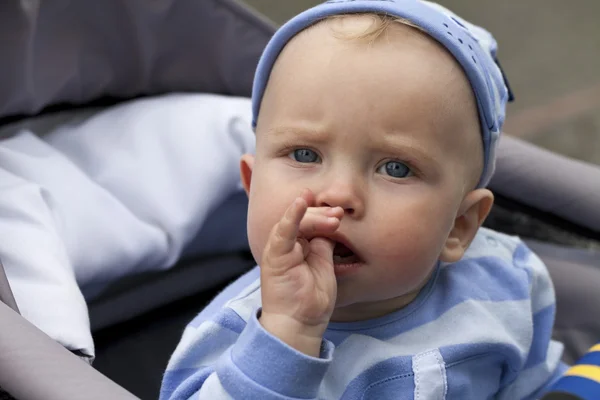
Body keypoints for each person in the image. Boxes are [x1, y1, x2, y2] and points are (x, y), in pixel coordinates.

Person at [160, 1, 567, 398]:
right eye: (305, 154)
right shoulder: (231, 336)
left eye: (396, 168)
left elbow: (536, 384)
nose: (338, 195)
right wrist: (288, 334)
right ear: (252, 186)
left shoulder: (505, 280)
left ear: (460, 226)